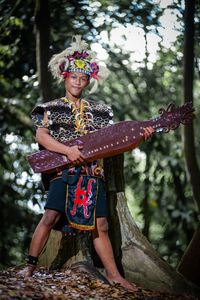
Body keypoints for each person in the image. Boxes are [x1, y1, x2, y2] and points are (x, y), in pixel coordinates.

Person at [18, 36, 154, 290]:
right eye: (74, 77)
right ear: (65, 78)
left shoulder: (102, 111)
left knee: (100, 224)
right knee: (49, 216)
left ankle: (114, 275)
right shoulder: (50, 108)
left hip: (94, 172)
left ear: (88, 81)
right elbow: (42, 136)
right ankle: (29, 266)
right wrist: (67, 151)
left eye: (83, 79)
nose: (78, 82)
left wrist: (140, 138)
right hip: (64, 170)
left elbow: (115, 141)